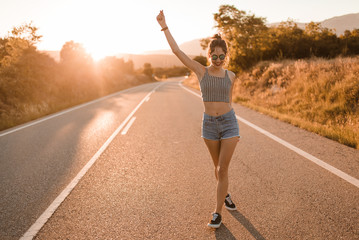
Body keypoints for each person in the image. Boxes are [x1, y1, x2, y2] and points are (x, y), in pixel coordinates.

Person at [156, 10, 240, 229]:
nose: (219, 60)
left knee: (222, 169)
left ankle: (217, 213)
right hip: (209, 126)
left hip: (229, 123)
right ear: (209, 54)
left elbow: (229, 102)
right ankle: (226, 194)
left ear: (226, 56)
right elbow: (177, 51)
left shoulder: (231, 76)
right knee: (217, 169)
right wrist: (164, 26)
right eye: (215, 55)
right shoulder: (201, 71)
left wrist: (229, 118)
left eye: (223, 56)